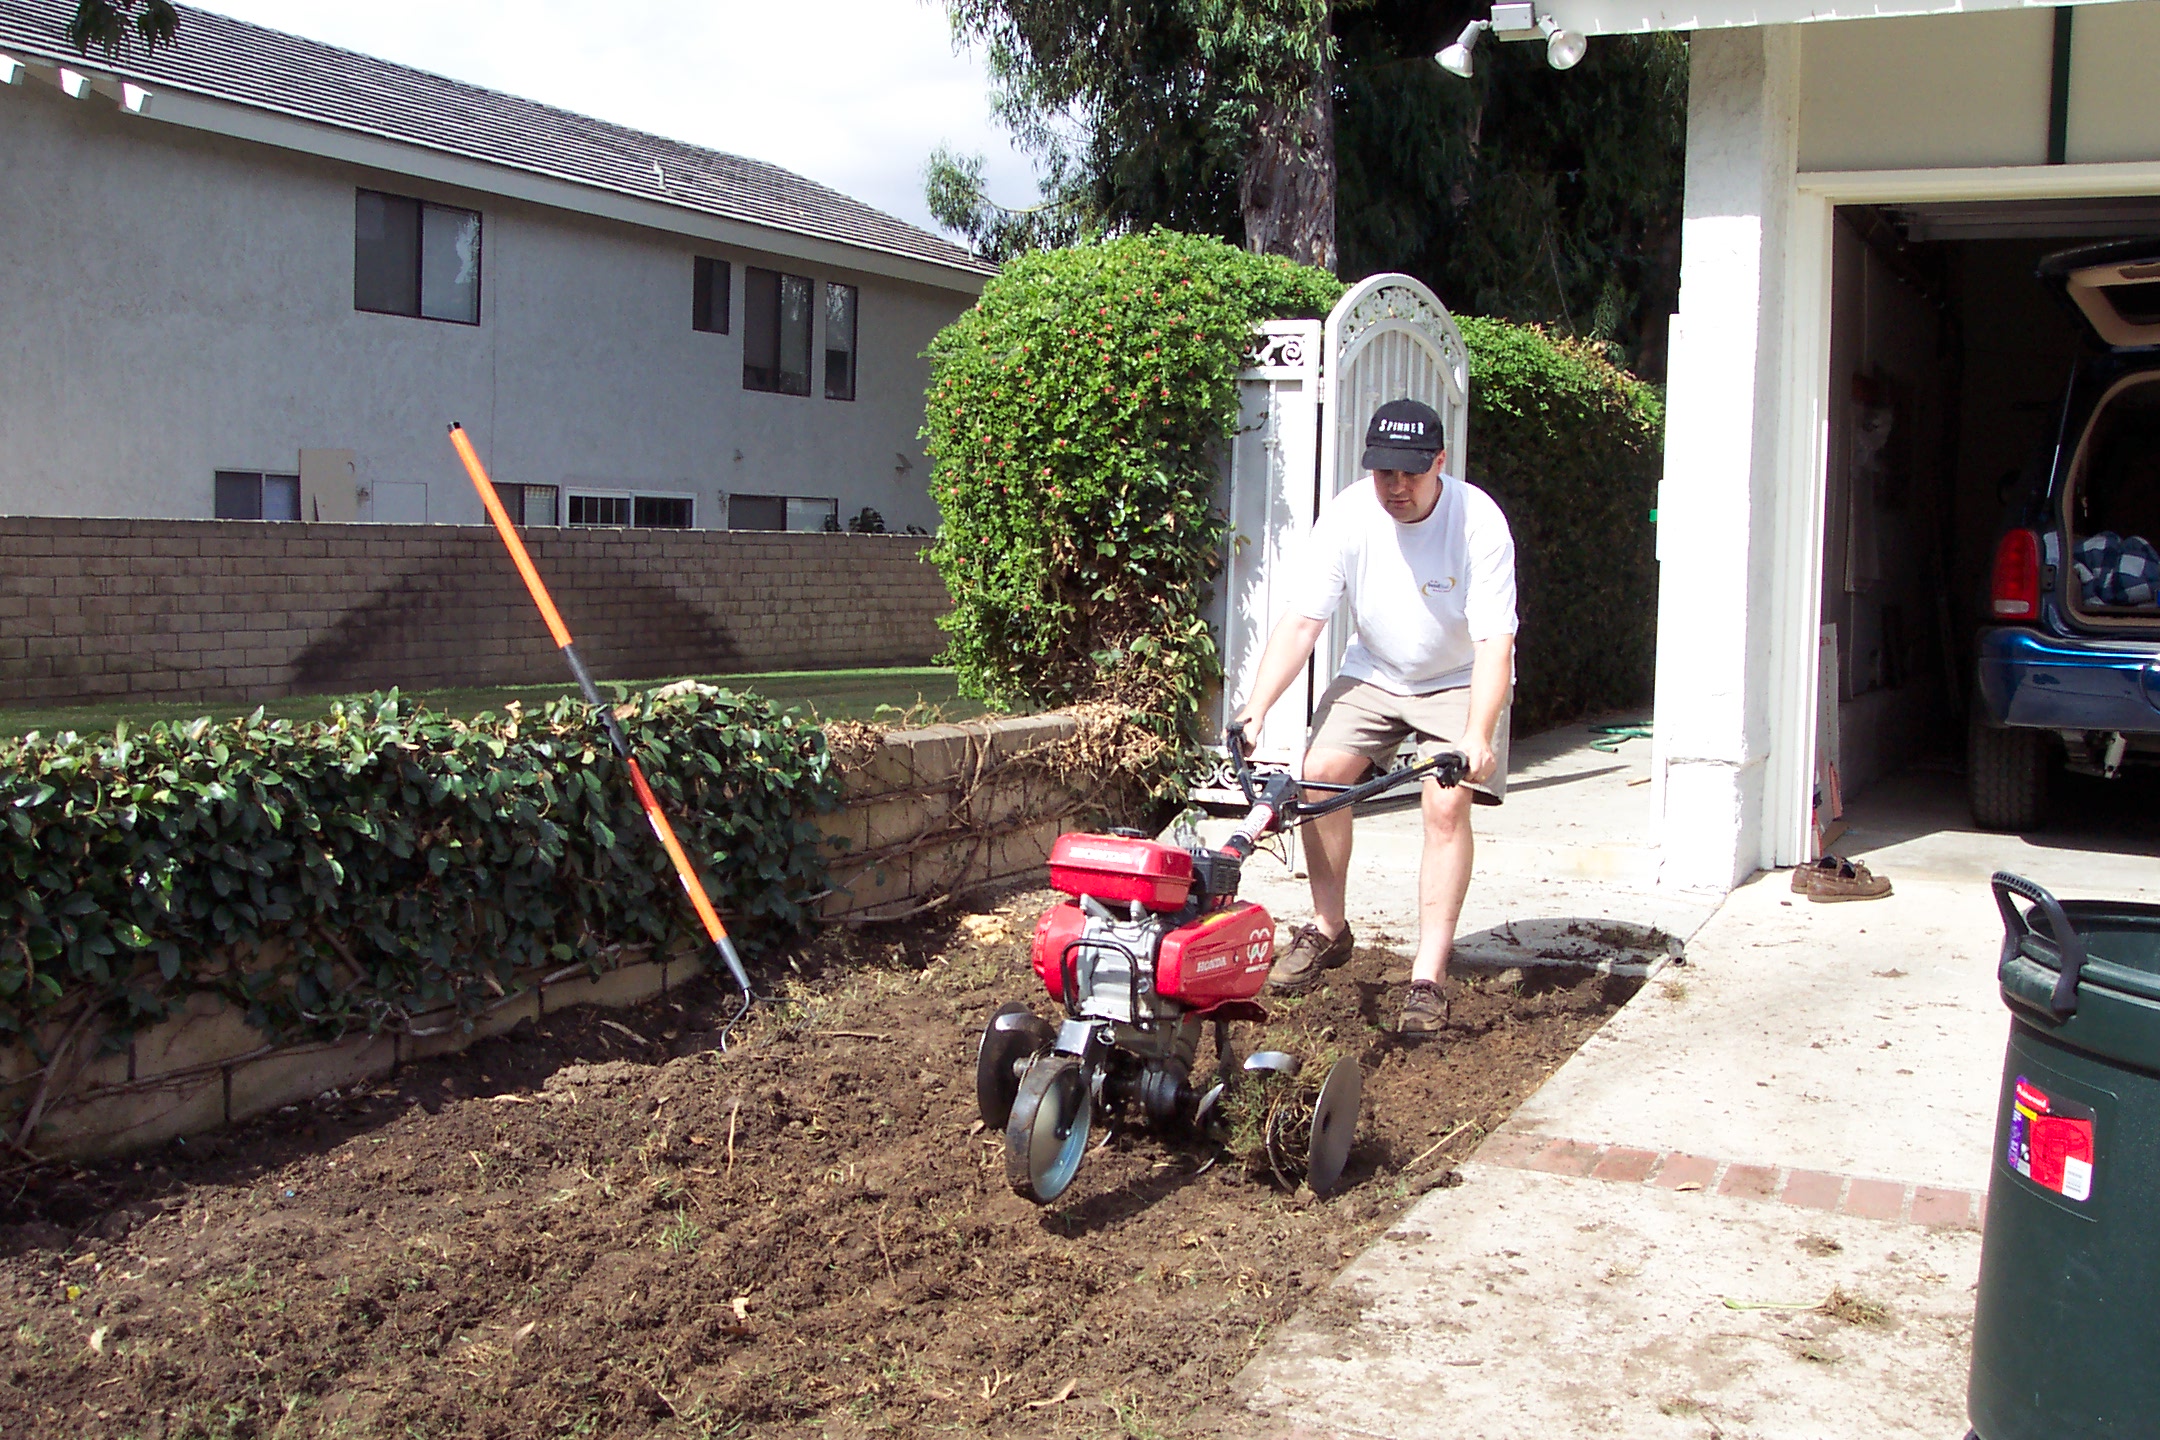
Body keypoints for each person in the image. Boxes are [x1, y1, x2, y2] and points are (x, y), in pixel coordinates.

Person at [1230, 398, 1517, 1035]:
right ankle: (1329, 928)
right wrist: (1256, 708)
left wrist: (1477, 734)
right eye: (1385, 471)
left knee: (1444, 803)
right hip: (1377, 671)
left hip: (1459, 676)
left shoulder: (1478, 522)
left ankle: (1427, 978)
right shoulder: (1350, 515)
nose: (1397, 486)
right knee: (1318, 777)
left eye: (1411, 472)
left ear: (1440, 463)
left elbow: (1496, 642)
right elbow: (1303, 622)